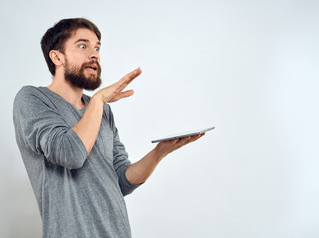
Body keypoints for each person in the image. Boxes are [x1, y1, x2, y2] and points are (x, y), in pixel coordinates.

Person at [13, 18, 204, 238]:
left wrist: (160, 151)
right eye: (83, 46)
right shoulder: (32, 98)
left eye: (97, 48)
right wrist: (98, 99)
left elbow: (121, 180)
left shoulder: (102, 110)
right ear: (57, 57)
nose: (94, 54)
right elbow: (70, 154)